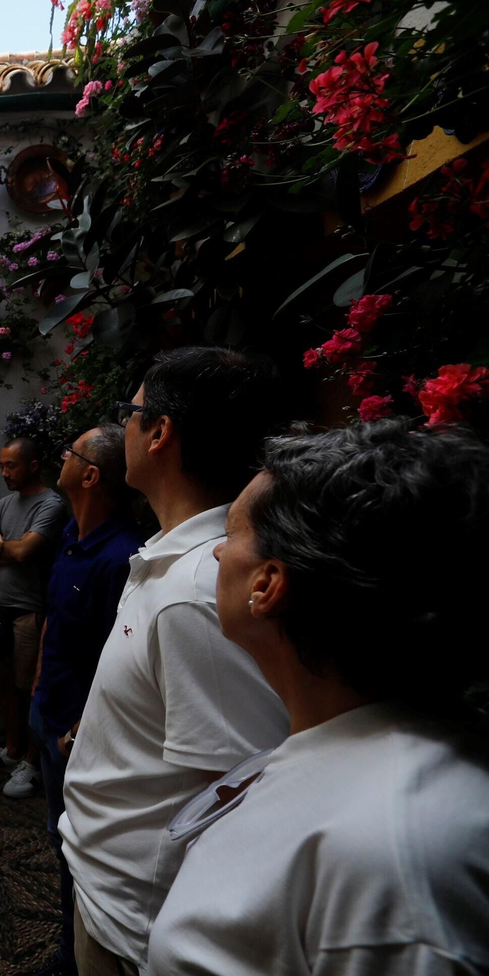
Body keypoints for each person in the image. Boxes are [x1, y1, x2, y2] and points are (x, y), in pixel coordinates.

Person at [149, 420, 489, 974]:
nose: (216, 555)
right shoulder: (346, 745)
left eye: (231, 535)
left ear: (267, 584)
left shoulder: (397, 856)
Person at [59, 346, 292, 976]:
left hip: (134, 917)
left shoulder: (198, 590)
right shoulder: (173, 558)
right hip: (108, 887)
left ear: (160, 433)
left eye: (129, 412)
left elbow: (241, 790)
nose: (123, 426)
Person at [24, 424, 146, 976]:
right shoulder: (73, 534)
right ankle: (69, 951)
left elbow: (118, 659)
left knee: (80, 851)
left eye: (70, 452)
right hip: (50, 712)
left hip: (79, 734)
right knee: (60, 841)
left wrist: (76, 730)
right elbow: (57, 620)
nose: (62, 457)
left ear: (91, 475)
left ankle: (75, 960)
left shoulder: (120, 558)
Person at [0, 435, 69, 799]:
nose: (4, 473)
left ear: (33, 466)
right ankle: (12, 751)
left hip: (30, 609)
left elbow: (26, 550)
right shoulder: (5, 502)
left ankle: (32, 761)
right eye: (1, 466)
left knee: (29, 689)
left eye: (10, 465)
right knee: (4, 685)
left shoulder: (51, 505)